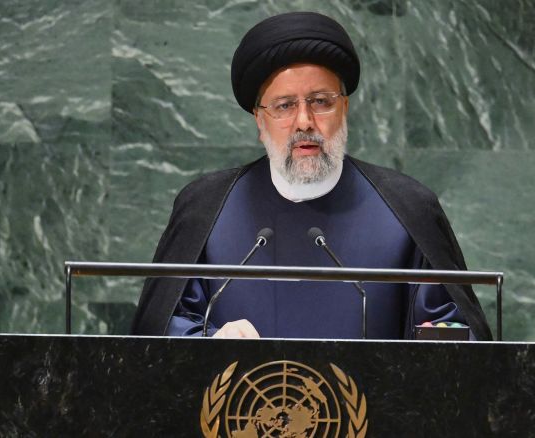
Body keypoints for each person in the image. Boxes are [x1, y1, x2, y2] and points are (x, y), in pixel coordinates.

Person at [131, 12, 492, 340]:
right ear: (259, 119)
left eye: (320, 101)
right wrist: (210, 343)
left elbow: (454, 336)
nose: (304, 121)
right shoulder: (206, 208)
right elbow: (161, 330)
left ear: (344, 108)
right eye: (285, 106)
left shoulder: (408, 208)